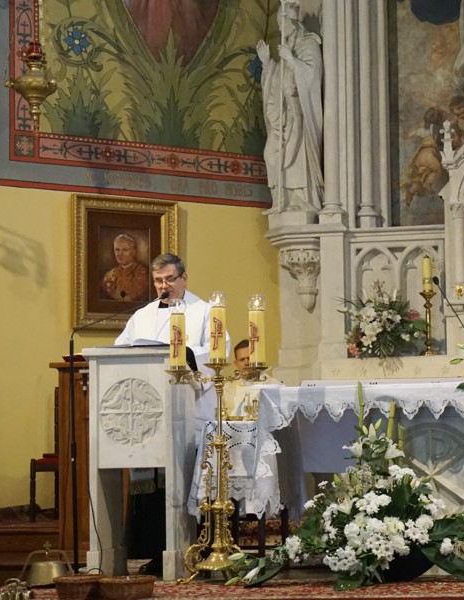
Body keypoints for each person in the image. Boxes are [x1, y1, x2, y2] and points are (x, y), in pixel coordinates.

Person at [115, 252, 229, 575]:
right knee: (155, 485)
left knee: (188, 479)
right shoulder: (142, 316)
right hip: (150, 412)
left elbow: (217, 351)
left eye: (169, 279)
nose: (163, 286)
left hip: (191, 409)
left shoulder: (205, 311)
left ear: (184, 278)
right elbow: (120, 349)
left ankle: (199, 548)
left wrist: (188, 355)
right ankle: (157, 552)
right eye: (158, 281)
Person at [257, 1, 324, 213]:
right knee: (270, 154)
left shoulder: (308, 45)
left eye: (282, 23)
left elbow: (312, 76)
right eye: (278, 24)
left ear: (293, 23)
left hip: (300, 116)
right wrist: (268, 63)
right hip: (284, 117)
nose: (280, 28)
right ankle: (281, 200)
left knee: (298, 158)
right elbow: (278, 78)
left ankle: (302, 199)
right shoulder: (288, 48)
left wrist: (292, 60)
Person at [100, 233, 149, 301]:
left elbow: (135, 296)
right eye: (117, 250)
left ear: (134, 252)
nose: (120, 254)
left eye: (125, 250)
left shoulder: (142, 273)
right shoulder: (110, 274)